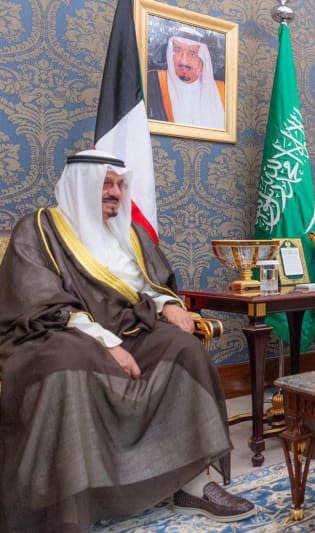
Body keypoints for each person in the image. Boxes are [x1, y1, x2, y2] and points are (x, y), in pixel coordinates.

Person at [0, 150, 254, 531]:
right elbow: (37, 302)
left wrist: (169, 304)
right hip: (57, 333)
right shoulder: (38, 229)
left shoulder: (129, 233)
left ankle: (194, 482)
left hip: (126, 331)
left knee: (183, 349)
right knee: (67, 365)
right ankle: (69, 500)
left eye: (120, 184)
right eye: (105, 183)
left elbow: (149, 284)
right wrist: (105, 343)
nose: (115, 193)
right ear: (80, 184)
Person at [146, 28, 225, 129]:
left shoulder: (222, 91)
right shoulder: (152, 82)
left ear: (204, 58)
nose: (184, 60)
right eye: (178, 50)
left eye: (192, 54)